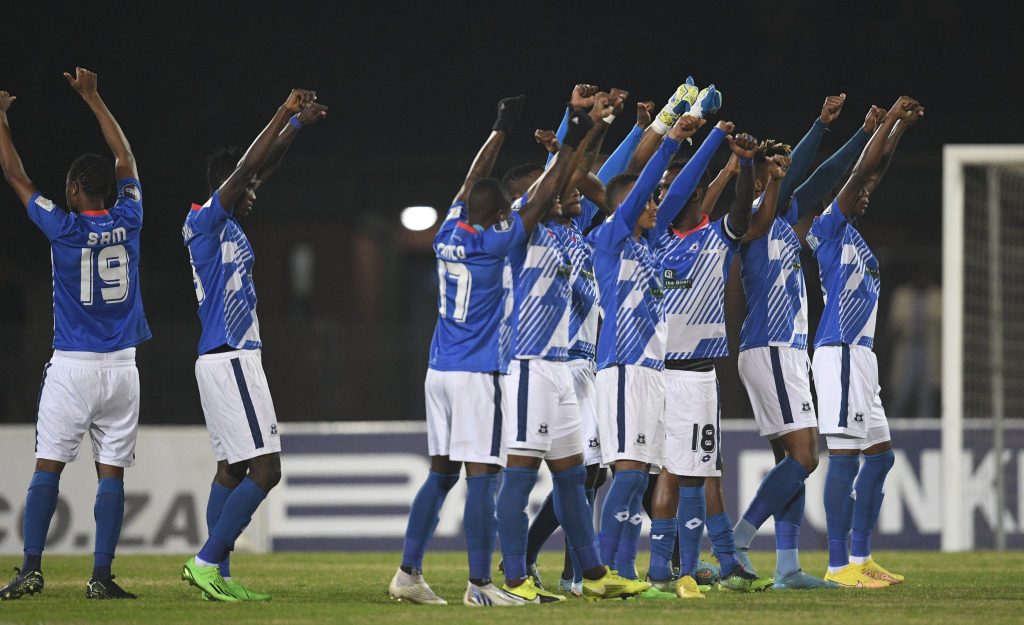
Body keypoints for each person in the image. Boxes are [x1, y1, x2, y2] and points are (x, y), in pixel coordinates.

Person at [0, 68, 150, 600]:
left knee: (49, 469)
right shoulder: (129, 217)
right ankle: (101, 577)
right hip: (123, 368)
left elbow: (15, 175)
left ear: (72, 188)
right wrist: (93, 97)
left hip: (74, 368)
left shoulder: (62, 227)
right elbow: (126, 159)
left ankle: (32, 569)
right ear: (107, 188)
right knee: (111, 477)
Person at [180, 89, 327, 602]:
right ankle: (204, 562)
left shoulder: (225, 221)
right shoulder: (206, 219)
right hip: (231, 356)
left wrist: (298, 129)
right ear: (229, 185)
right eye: (248, 187)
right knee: (267, 470)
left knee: (232, 469)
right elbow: (248, 167)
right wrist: (283, 112)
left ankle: (214, 574)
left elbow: (261, 166)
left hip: (222, 358)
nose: (255, 193)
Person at [389, 95, 530, 607]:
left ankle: (408, 574)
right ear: (496, 216)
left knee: (441, 471)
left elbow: (474, 181)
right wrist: (577, 134)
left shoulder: (449, 228)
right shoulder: (496, 245)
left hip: (439, 368)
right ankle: (479, 586)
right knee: (482, 479)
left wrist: (497, 129)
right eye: (504, 211)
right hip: (476, 373)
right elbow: (533, 203)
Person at [731, 94, 875, 591]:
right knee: (807, 457)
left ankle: (788, 566)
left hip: (782, 349)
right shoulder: (755, 217)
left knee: (790, 460)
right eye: (775, 166)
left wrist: (857, 133)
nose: (784, 174)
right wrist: (819, 125)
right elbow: (795, 178)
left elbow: (823, 178)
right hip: (772, 346)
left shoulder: (787, 219)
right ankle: (737, 540)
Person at [586, 111, 704, 595]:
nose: (657, 205)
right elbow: (644, 193)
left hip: (653, 372)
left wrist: (709, 140)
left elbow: (677, 195)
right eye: (647, 201)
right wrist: (668, 142)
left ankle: (618, 571)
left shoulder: (647, 246)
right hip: (623, 367)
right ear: (627, 209)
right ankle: (598, 572)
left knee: (638, 477)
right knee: (629, 472)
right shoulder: (610, 241)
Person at [809, 95, 923, 588]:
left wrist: (899, 132)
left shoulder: (854, 233)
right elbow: (861, 174)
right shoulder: (827, 228)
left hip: (862, 356)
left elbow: (871, 175)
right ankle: (838, 568)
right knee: (846, 455)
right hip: (837, 353)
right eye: (858, 192)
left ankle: (861, 557)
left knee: (881, 457)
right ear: (842, 196)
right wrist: (889, 120)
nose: (867, 195)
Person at [645, 122, 760, 598]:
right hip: (662, 374)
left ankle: (677, 569)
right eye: (668, 188)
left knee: (693, 470)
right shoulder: (654, 240)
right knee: (675, 472)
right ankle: (677, 571)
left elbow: (738, 206)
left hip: (697, 375)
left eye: (679, 186)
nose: (672, 193)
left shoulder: (718, 237)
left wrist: (745, 165)